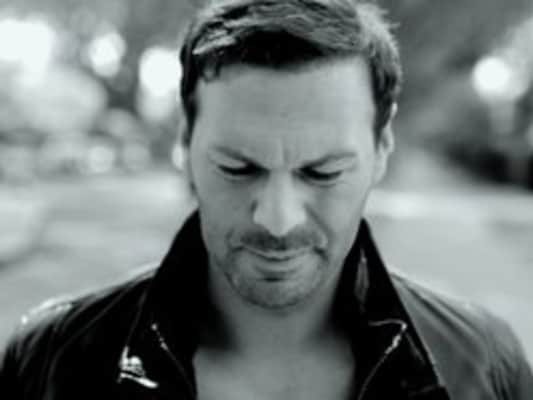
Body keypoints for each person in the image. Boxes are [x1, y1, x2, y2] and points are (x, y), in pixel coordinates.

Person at [1, 0, 532, 398]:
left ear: (382, 149)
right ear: (185, 143)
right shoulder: (50, 360)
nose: (278, 220)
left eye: (323, 173)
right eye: (238, 169)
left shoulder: (484, 366)